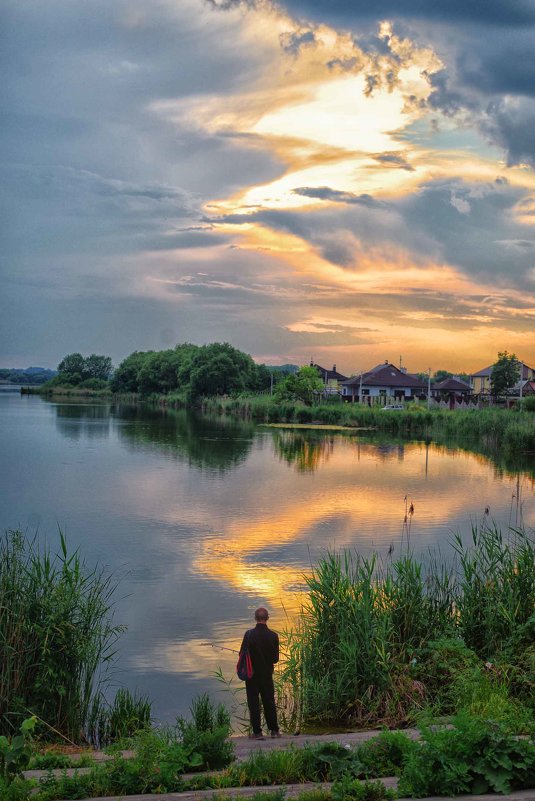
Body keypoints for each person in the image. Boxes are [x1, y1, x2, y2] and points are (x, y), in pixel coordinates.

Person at [241, 606, 280, 739]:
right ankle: (274, 731)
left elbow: (242, 654)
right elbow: (275, 659)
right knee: (269, 701)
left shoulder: (249, 634)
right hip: (267, 674)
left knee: (253, 703)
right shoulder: (274, 636)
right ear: (267, 618)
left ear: (255, 618)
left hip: (251, 675)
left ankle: (257, 732)